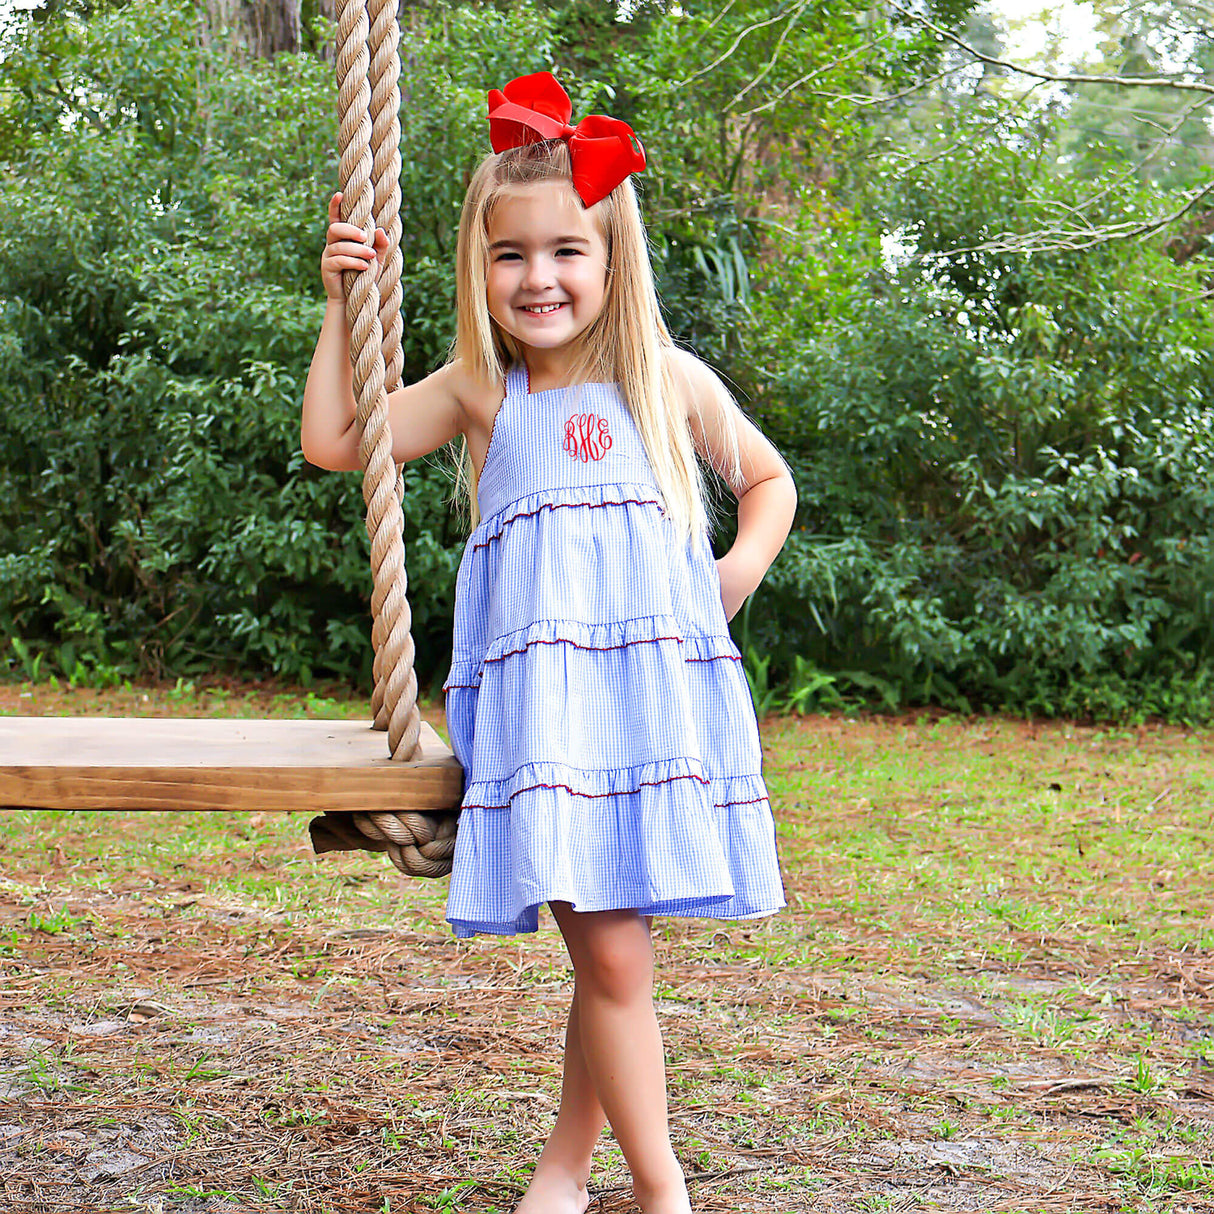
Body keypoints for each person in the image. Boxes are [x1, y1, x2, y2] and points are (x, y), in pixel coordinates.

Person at [301, 71, 796, 1214]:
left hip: (648, 713)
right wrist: (340, 302)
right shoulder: (485, 391)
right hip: (547, 720)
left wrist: (730, 575)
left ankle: (571, 1173)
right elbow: (336, 439)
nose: (538, 277)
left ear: (612, 261)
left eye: (566, 250)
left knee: (608, 953)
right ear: (478, 268)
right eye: (509, 254)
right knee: (611, 952)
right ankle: (658, 1188)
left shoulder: (663, 382)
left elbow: (766, 481)